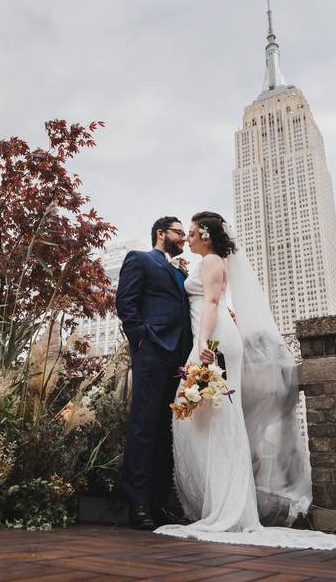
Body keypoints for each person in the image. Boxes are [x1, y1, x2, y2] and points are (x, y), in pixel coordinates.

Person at [154, 211, 336, 550]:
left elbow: (213, 304)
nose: (187, 239)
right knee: (209, 418)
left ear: (205, 235)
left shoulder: (212, 262)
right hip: (214, 338)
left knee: (210, 418)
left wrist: (202, 344)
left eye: (191, 233)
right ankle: (219, 500)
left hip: (214, 342)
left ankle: (227, 506)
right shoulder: (210, 262)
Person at [115, 216, 192, 529]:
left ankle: (160, 502)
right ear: (161, 234)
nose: (185, 238)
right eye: (179, 232)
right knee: (144, 424)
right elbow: (126, 302)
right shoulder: (140, 259)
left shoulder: (179, 270)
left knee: (166, 427)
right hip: (153, 349)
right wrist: (142, 338)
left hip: (179, 356)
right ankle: (138, 502)